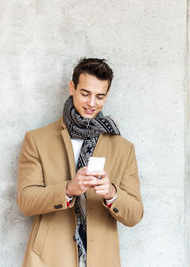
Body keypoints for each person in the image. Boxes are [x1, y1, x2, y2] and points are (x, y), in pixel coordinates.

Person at [17, 58, 143, 267]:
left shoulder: (123, 148)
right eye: (85, 93)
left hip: (101, 260)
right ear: (72, 87)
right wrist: (68, 189)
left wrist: (112, 193)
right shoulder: (37, 140)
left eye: (99, 96)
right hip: (49, 259)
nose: (92, 103)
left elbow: (135, 214)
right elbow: (26, 201)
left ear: (107, 96)